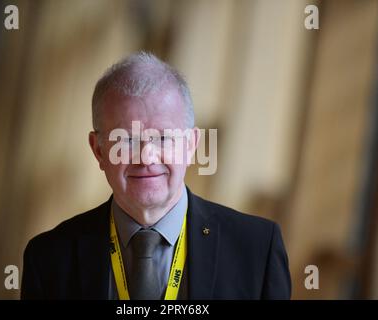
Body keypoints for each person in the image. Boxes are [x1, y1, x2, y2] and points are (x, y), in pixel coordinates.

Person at [21, 52, 291, 300]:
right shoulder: (48, 259)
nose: (147, 157)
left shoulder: (257, 251)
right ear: (98, 150)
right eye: (126, 139)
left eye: (163, 138)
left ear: (191, 145)